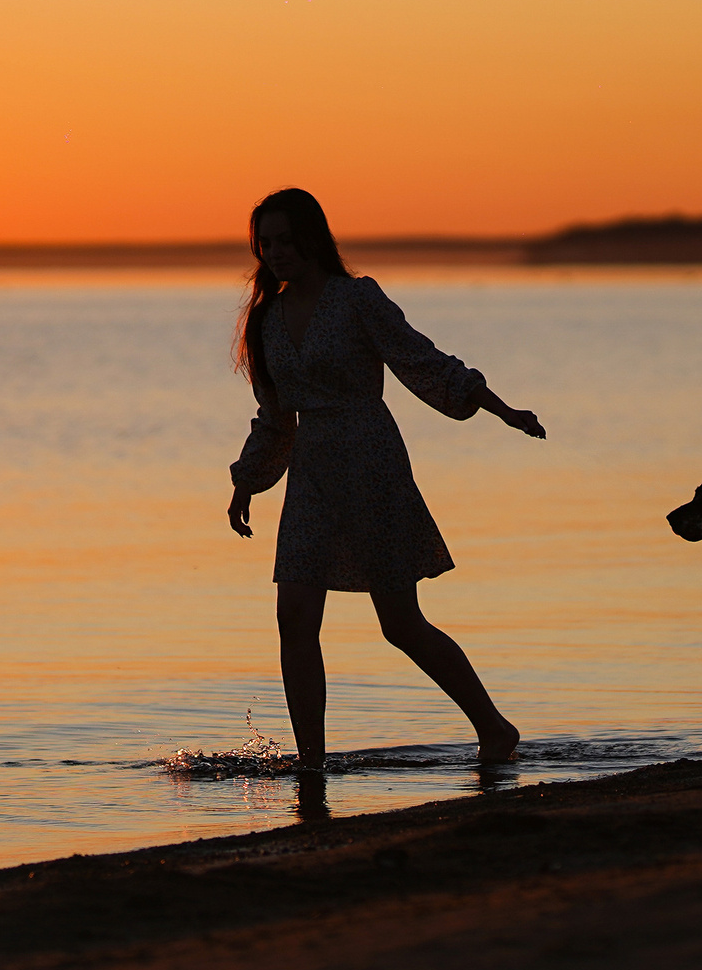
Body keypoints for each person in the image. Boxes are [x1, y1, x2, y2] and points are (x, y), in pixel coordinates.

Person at [226, 188, 545, 769]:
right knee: (294, 617)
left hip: (371, 462)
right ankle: (311, 764)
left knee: (399, 622)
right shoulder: (266, 320)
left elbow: (422, 360)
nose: (275, 252)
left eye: (284, 239)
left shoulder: (356, 299)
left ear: (312, 238)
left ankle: (495, 728)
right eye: (264, 243)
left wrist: (500, 407)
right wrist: (246, 481)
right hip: (312, 473)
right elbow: (274, 417)